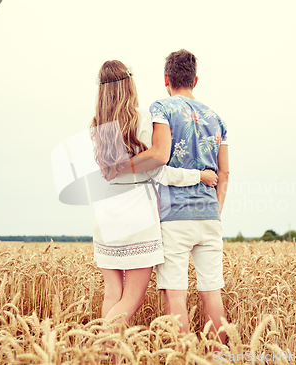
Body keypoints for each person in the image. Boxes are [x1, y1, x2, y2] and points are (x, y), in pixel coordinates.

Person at [90, 60, 218, 327]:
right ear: (130, 84)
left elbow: (107, 171)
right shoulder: (145, 119)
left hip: (106, 209)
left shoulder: (97, 125)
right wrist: (199, 176)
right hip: (138, 208)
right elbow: (161, 166)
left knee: (113, 293)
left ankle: (110, 357)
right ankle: (95, 342)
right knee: (133, 299)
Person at [134, 49, 229, 343]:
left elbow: (159, 158)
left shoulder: (161, 108)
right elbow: (224, 174)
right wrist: (216, 208)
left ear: (166, 79)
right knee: (211, 290)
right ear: (195, 80)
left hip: (174, 217)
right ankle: (220, 357)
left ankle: (182, 357)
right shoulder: (217, 118)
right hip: (210, 215)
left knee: (175, 294)